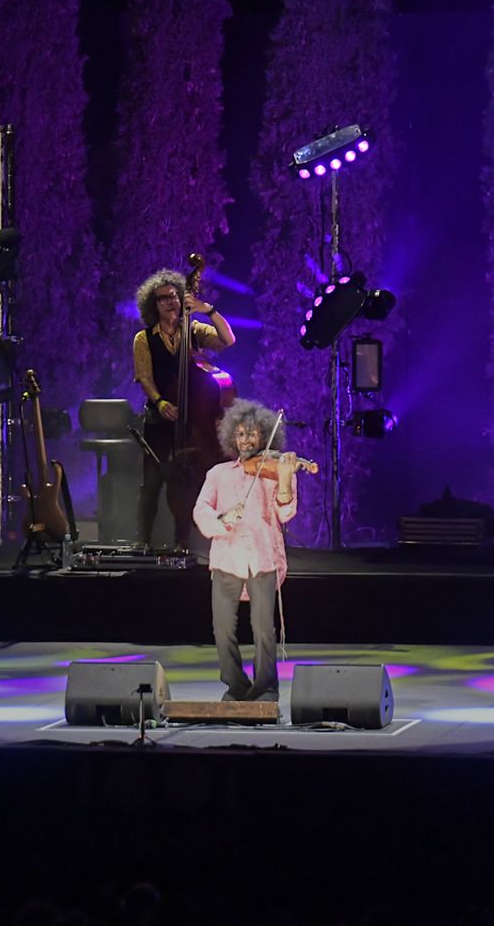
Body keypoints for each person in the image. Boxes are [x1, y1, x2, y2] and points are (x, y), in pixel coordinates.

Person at [191, 399, 299, 702]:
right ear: (231, 438)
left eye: (252, 434)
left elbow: (286, 513)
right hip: (226, 559)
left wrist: (287, 480)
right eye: (240, 434)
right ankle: (236, 686)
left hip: (262, 559)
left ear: (264, 437)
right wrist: (222, 519)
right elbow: (200, 510)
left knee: (264, 629)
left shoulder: (274, 471)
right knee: (222, 629)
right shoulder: (218, 474)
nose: (246, 440)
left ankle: (266, 687)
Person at [131, 268, 235, 549]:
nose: (170, 301)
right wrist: (160, 401)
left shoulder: (193, 329)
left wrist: (208, 310)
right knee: (152, 482)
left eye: (174, 296)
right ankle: (142, 541)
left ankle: (182, 541)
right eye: (163, 298)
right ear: (153, 306)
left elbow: (228, 340)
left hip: (191, 426)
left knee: (185, 484)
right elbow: (145, 377)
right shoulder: (144, 338)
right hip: (159, 421)